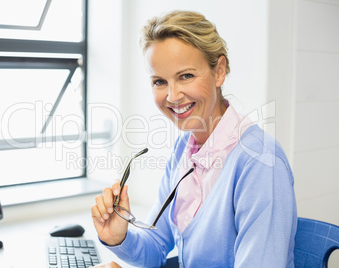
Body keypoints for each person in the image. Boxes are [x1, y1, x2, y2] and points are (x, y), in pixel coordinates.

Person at [91, 10, 297, 268]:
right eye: (159, 81)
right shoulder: (184, 149)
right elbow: (157, 247)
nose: (173, 96)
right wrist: (118, 237)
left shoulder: (261, 162)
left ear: (219, 71)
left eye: (186, 76)